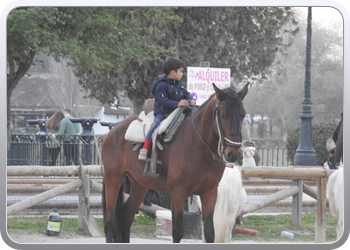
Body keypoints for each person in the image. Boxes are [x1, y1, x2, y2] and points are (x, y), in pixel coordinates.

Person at [138, 57, 196, 161]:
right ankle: (145, 148)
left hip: (177, 111)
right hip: (163, 112)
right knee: (154, 125)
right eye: (181, 71)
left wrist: (190, 99)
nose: (182, 74)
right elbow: (163, 101)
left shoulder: (179, 84)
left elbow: (186, 93)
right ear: (173, 72)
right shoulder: (161, 85)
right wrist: (178, 103)